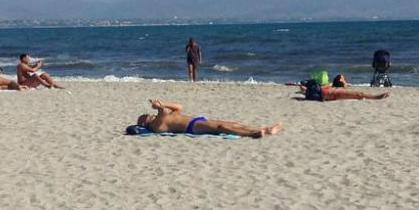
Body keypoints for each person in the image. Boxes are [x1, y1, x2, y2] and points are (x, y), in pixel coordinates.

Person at [137, 99, 283, 138]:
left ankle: (264, 130)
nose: (146, 114)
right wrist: (159, 105)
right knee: (220, 128)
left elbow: (179, 107)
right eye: (143, 116)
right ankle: (252, 134)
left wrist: (161, 104)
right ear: (144, 123)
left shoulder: (165, 116)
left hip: (196, 121)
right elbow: (162, 111)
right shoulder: (156, 125)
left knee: (231, 123)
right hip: (192, 127)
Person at [300, 74, 389, 101]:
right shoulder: (337, 89)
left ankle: (306, 90)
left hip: (322, 93)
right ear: (341, 81)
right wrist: (376, 96)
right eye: (343, 78)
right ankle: (376, 97)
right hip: (326, 94)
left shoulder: (331, 86)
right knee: (358, 94)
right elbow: (359, 94)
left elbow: (323, 87)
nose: (345, 79)